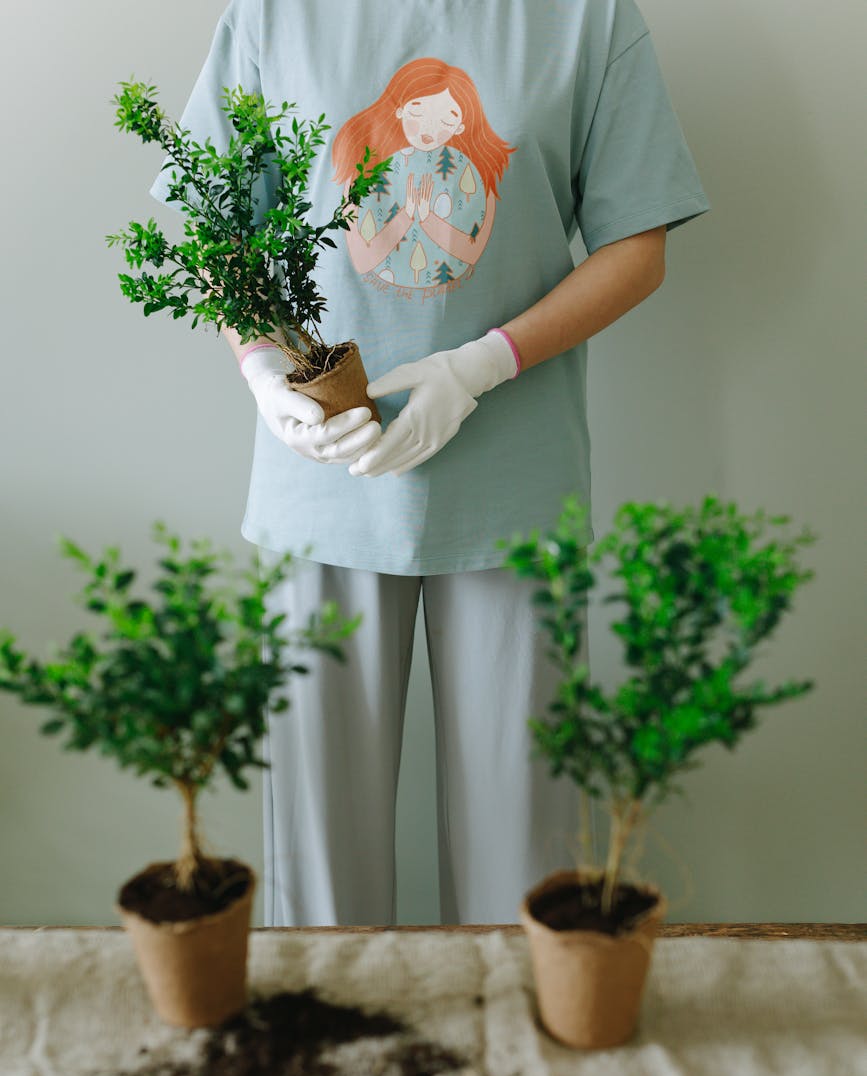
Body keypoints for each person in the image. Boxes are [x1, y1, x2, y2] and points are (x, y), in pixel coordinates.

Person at [148, 0, 711, 926]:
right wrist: (260, 370)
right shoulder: (271, 16)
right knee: (316, 869)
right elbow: (220, 231)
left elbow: (635, 243)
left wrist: (482, 364)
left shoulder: (585, 18)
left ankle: (515, 1057)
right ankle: (328, 1056)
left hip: (513, 489)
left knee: (521, 855)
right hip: (324, 475)